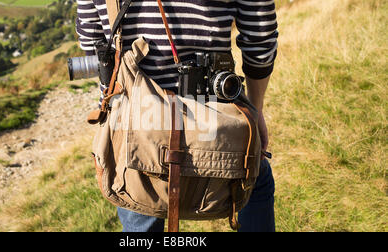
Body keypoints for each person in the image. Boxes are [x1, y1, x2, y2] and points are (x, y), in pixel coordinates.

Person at [76, 0, 278, 232]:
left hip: (136, 125)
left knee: (137, 203)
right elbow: (260, 36)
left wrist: (114, 104)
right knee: (255, 183)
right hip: (215, 116)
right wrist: (255, 108)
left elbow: (92, 37)